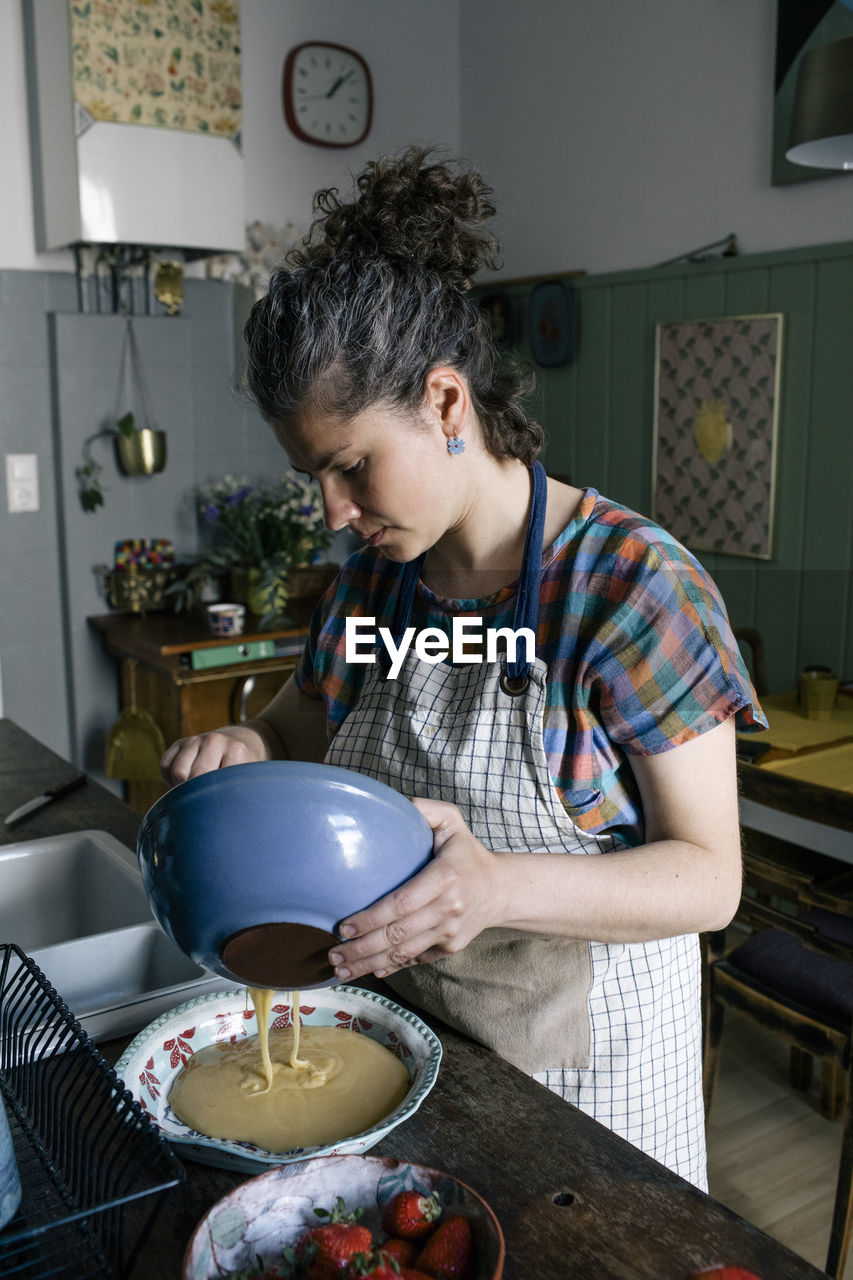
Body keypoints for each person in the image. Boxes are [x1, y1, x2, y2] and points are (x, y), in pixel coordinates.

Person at [161, 147, 766, 1189]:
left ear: (446, 403)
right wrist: (247, 739)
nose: (334, 512)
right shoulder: (374, 587)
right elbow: (297, 726)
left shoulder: (628, 588)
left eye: (351, 466)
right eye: (316, 477)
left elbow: (710, 877)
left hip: (595, 1095)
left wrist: (494, 886)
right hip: (415, 1059)